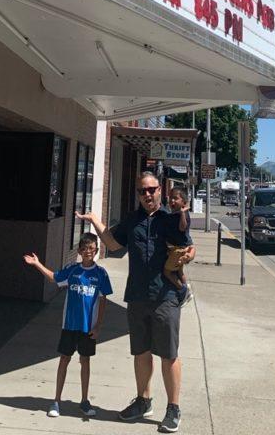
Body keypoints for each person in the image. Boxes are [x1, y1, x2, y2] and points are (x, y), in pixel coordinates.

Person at [78, 171, 195, 433]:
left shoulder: (170, 218)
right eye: (142, 191)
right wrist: (95, 220)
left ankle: (173, 408)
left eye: (151, 189)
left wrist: (187, 257)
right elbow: (112, 242)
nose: (147, 194)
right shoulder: (133, 220)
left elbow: (189, 245)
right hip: (138, 296)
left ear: (160, 191)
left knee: (168, 354)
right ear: (138, 195)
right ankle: (143, 401)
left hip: (165, 296)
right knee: (141, 352)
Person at [23, 232, 112, 418]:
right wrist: (37, 264)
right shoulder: (72, 269)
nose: (88, 251)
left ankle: (85, 401)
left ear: (96, 250)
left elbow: (103, 301)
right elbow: (53, 278)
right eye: (85, 248)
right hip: (69, 325)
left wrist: (98, 326)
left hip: (88, 327)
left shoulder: (101, 274)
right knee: (64, 359)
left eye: (91, 248)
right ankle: (56, 401)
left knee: (85, 361)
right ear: (79, 250)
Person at [164, 185, 192, 304]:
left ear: (183, 202)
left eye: (175, 198)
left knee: (167, 272)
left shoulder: (183, 215)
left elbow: (182, 228)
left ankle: (182, 289)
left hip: (178, 249)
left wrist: (182, 213)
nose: (172, 201)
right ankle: (188, 289)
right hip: (175, 248)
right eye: (170, 198)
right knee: (179, 272)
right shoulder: (173, 213)